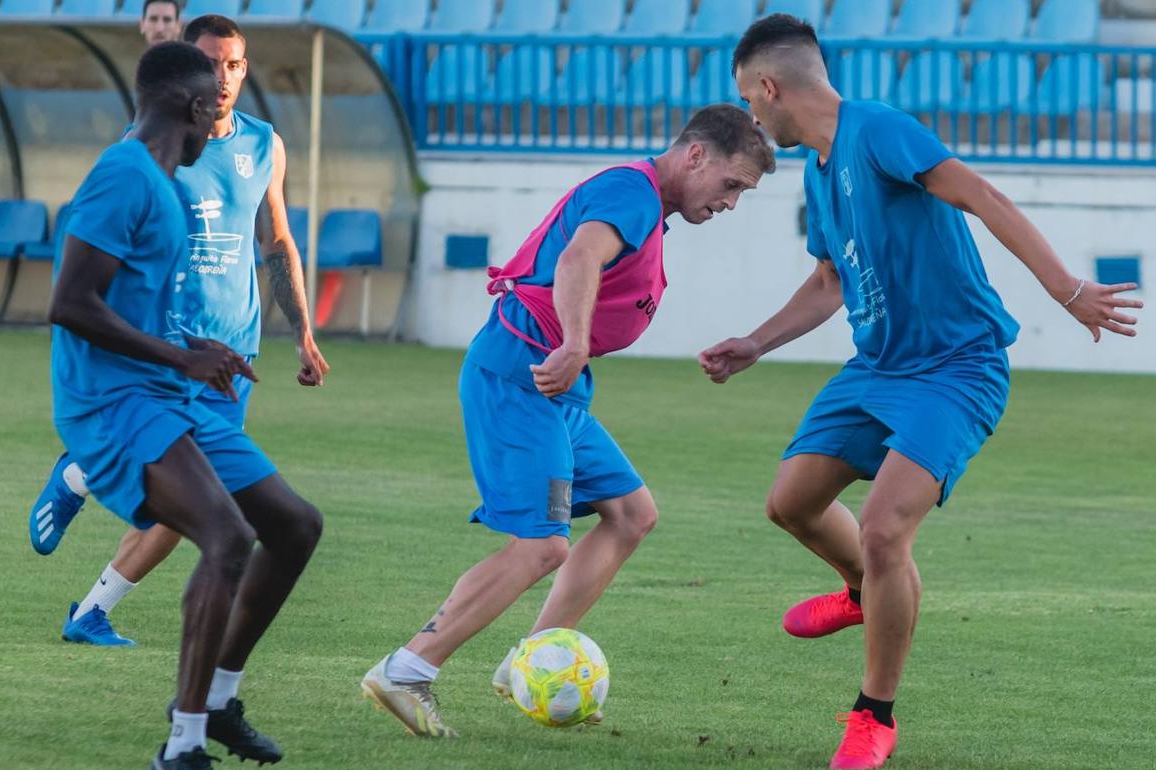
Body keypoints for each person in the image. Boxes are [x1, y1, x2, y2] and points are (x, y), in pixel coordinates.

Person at [699, 15, 1142, 770]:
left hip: (956, 369)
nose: (750, 115)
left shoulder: (878, 129)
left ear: (769, 87)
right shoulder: (817, 173)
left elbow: (982, 196)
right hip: (876, 368)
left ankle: (874, 716)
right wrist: (755, 344)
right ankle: (862, 592)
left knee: (882, 530)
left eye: (747, 98)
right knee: (790, 503)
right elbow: (829, 281)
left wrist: (1067, 290)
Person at [360, 104, 776, 738]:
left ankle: (528, 659)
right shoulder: (632, 192)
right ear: (696, 156)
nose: (730, 203)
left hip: (558, 392)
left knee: (632, 514)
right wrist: (577, 343)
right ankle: (407, 669)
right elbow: (579, 259)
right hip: (522, 380)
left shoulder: (647, 206)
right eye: (731, 185)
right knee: (542, 545)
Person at [49, 41, 322, 770]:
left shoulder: (164, 186)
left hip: (169, 393)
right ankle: (184, 744)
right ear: (197, 107)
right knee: (227, 539)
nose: (219, 122)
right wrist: (182, 358)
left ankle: (218, 702)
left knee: (294, 526)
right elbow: (70, 303)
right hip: (112, 403)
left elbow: (136, 302)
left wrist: (197, 346)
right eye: (213, 107)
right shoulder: (124, 175)